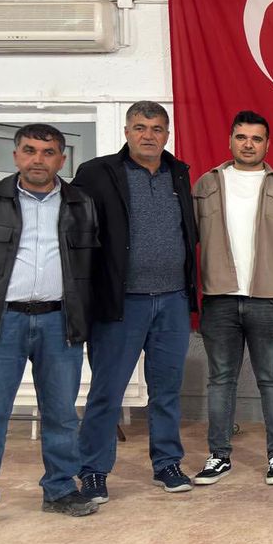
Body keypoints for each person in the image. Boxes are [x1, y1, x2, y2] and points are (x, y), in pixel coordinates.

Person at [74, 101, 199, 503]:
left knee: (167, 390)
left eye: (157, 128)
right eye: (140, 127)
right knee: (107, 392)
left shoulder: (178, 173)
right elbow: (75, 232)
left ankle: (167, 464)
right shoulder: (97, 173)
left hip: (173, 300)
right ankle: (93, 470)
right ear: (126, 132)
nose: (149, 135)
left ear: (167, 135)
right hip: (120, 303)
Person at [0, 124, 100, 521]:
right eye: (30, 150)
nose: (38, 159)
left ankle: (61, 490)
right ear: (16, 155)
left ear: (62, 160)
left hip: (59, 321)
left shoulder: (81, 204)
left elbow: (94, 266)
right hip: (0, 322)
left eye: (48, 152)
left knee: (61, 414)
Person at [192, 111, 273, 487]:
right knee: (220, 380)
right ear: (230, 140)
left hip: (269, 298)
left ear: (267, 144)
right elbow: (186, 239)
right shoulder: (207, 184)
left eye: (256, 138)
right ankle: (219, 455)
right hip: (219, 298)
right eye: (242, 137)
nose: (248, 144)